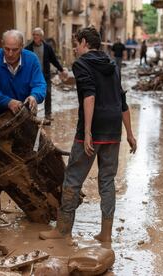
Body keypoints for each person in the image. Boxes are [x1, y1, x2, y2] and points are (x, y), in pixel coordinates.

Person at [39, 26, 137, 243]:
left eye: (76, 43)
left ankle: (63, 231)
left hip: (92, 128)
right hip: (113, 129)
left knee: (72, 179)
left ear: (84, 42)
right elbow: (121, 99)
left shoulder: (81, 64)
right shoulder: (112, 63)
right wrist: (130, 133)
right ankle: (106, 234)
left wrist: (88, 132)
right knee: (107, 181)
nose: (75, 48)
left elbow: (89, 97)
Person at [0, 29, 47, 209]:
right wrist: (8, 101)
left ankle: (29, 203)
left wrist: (35, 96)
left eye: (14, 50)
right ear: (2, 46)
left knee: (27, 157)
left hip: (23, 116)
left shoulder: (31, 59)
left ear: (21, 47)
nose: (10, 54)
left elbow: (40, 84)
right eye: (7, 49)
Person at [25, 27, 67, 121]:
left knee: (47, 93)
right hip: (32, 76)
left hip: (45, 75)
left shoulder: (47, 47)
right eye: (34, 35)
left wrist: (61, 69)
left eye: (37, 35)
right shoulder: (28, 48)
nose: (35, 36)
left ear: (41, 36)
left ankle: (48, 114)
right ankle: (31, 114)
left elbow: (54, 60)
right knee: (32, 94)